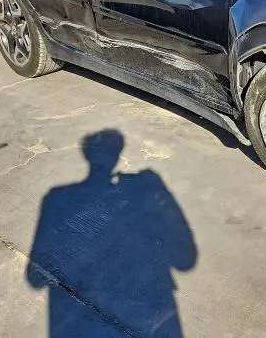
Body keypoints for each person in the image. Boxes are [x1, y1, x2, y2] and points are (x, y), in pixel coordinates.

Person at [26, 130, 196, 337]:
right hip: (151, 311)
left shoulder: (55, 197)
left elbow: (35, 279)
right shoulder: (141, 191)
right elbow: (185, 260)